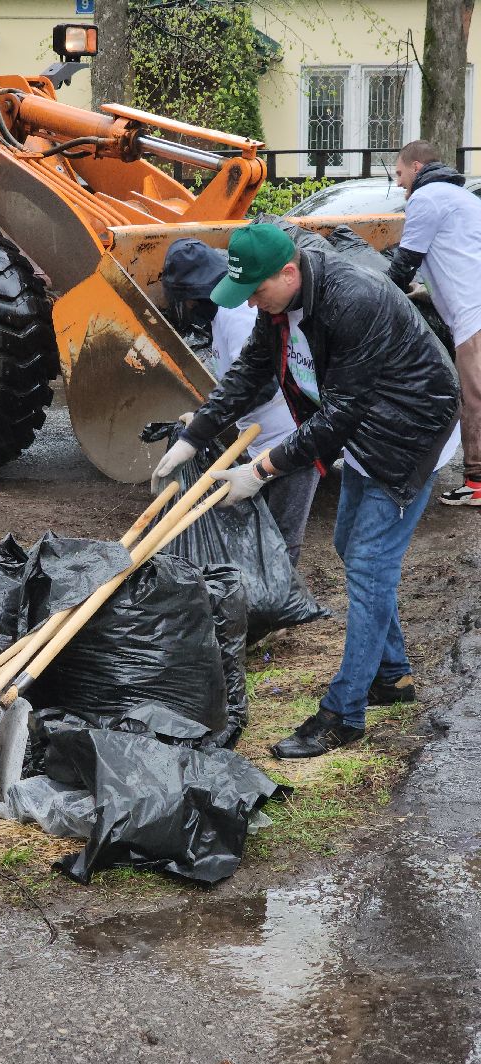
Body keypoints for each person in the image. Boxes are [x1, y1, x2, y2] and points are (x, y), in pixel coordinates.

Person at [152, 222, 460, 759]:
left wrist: (262, 469)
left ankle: (344, 713)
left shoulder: (351, 301)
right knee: (349, 547)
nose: (250, 303)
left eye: (256, 291)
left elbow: (342, 412)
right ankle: (392, 675)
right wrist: (194, 434)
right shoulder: (278, 305)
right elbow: (252, 371)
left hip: (410, 430)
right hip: (367, 425)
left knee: (367, 565)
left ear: (289, 272)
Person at [161, 237, 319, 565]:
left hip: (290, 437)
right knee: (263, 533)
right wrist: (202, 421)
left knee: (281, 541)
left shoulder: (237, 315)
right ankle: (262, 596)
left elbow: (258, 386)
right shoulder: (222, 315)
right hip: (262, 438)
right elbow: (237, 379)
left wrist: (211, 421)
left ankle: (278, 604)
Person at [389, 139, 481, 508]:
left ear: (416, 167)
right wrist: (426, 290)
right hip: (474, 303)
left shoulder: (425, 199)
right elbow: (460, 255)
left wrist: (379, 300)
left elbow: (403, 262)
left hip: (471, 315)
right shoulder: (465, 199)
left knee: (473, 398)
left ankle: (477, 483)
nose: (398, 183)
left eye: (398, 173)